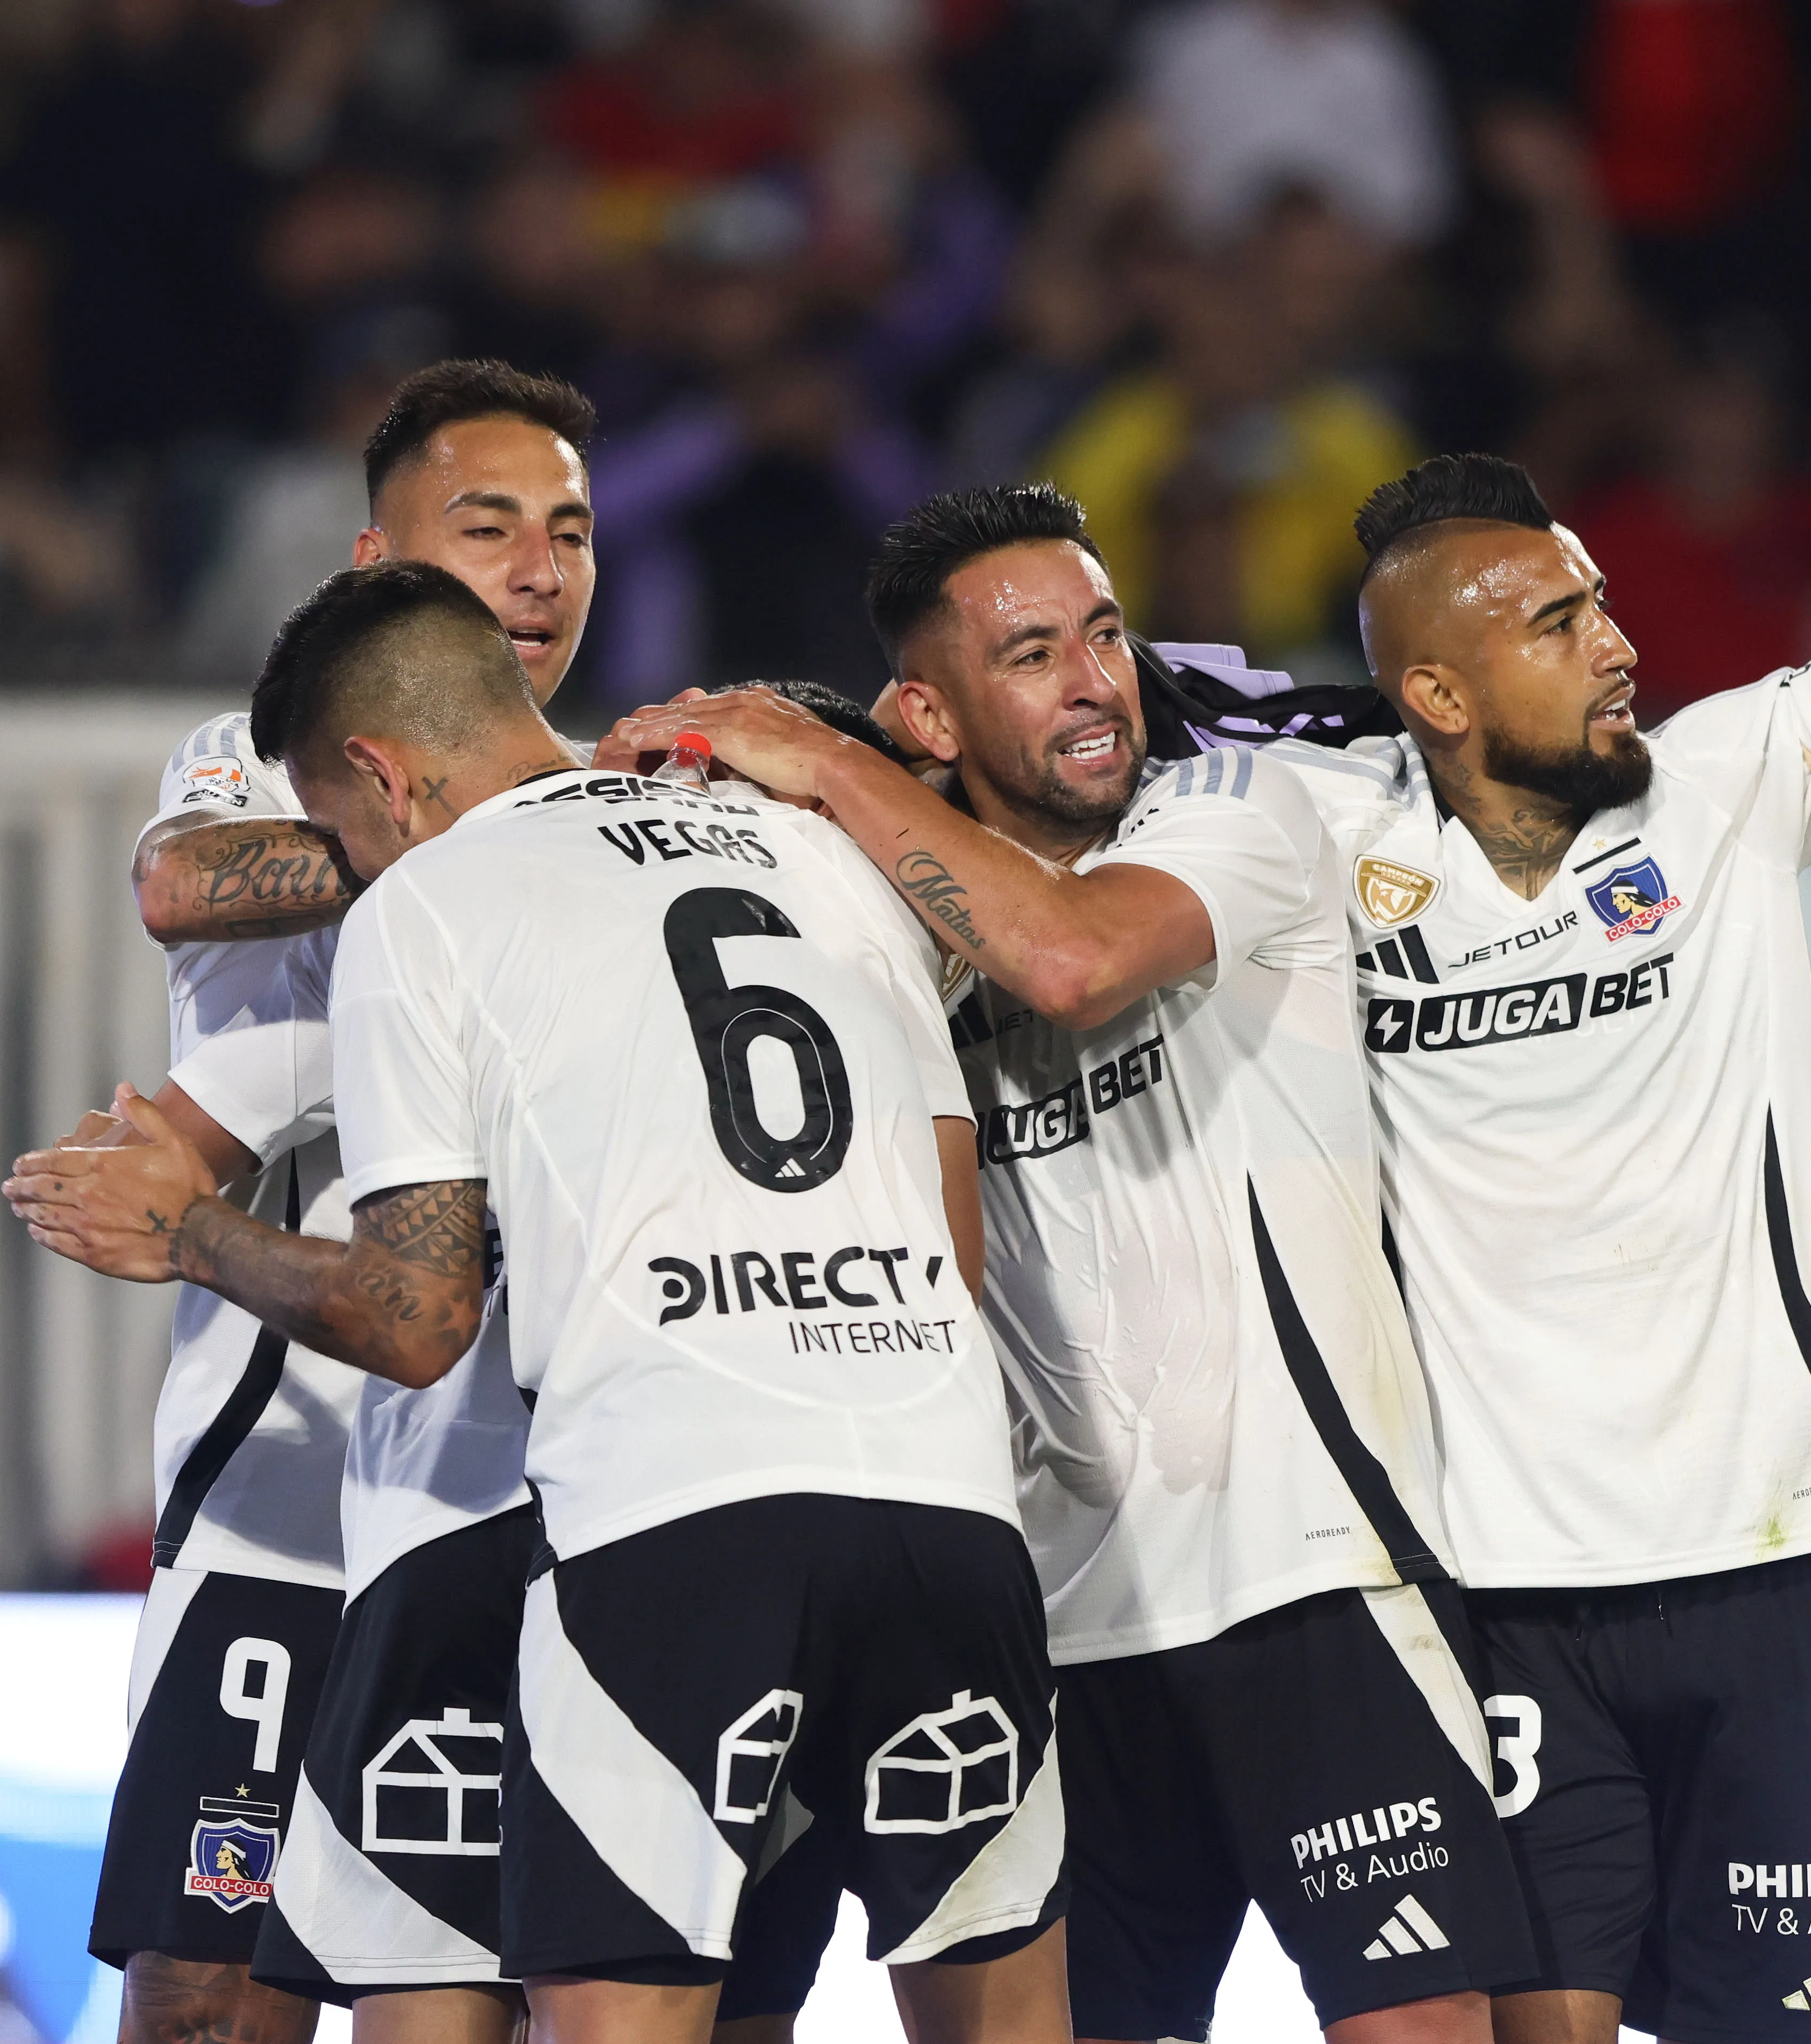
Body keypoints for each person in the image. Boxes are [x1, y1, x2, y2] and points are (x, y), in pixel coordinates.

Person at [1257, 142, 1811, 2043]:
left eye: (1604, 602)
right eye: (1560, 625)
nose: (1623, 641)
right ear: (1439, 696)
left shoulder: (1729, 784)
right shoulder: (1305, 842)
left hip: (1754, 1563)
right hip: (1493, 1591)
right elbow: (1077, 751)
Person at [8, 561, 1069, 2044]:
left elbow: (415, 1315)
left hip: (671, 1529)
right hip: (945, 1506)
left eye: (340, 824)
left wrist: (189, 1230)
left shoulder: (427, 902)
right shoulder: (817, 849)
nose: (353, 855)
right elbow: (951, 1238)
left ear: (377, 771)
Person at [599, 484, 1531, 2044]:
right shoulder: (884, 943)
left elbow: (1071, 959)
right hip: (1058, 1635)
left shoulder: (1231, 820)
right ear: (930, 710)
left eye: (1103, 633)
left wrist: (821, 763)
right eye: (1031, 653)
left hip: (1311, 1583)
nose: (1097, 680)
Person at [93, 357, 600, 2044]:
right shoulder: (265, 751)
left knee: (505, 1979)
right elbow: (183, 886)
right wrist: (497, 819)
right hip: (286, 1468)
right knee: (201, 1980)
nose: (541, 567)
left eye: (571, 532)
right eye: (490, 526)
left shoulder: (617, 812)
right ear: (377, 555)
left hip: (512, 1474)